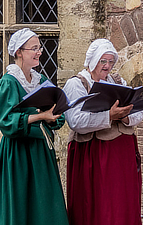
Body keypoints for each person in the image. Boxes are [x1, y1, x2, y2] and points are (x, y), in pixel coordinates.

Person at [0, 28, 69, 225]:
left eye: (39, 48)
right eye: (33, 48)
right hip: (18, 153)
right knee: (21, 202)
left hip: (40, 151)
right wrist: (41, 115)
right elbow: (5, 120)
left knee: (44, 203)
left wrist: (52, 116)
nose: (39, 52)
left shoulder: (41, 81)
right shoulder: (8, 83)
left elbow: (56, 113)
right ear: (19, 52)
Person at [63, 38, 142, 225]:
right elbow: (75, 121)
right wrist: (108, 116)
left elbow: (138, 111)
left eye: (110, 61)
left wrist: (124, 117)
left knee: (122, 202)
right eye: (103, 61)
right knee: (98, 204)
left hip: (121, 156)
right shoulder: (77, 84)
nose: (107, 66)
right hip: (93, 155)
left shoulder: (118, 81)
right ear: (92, 61)